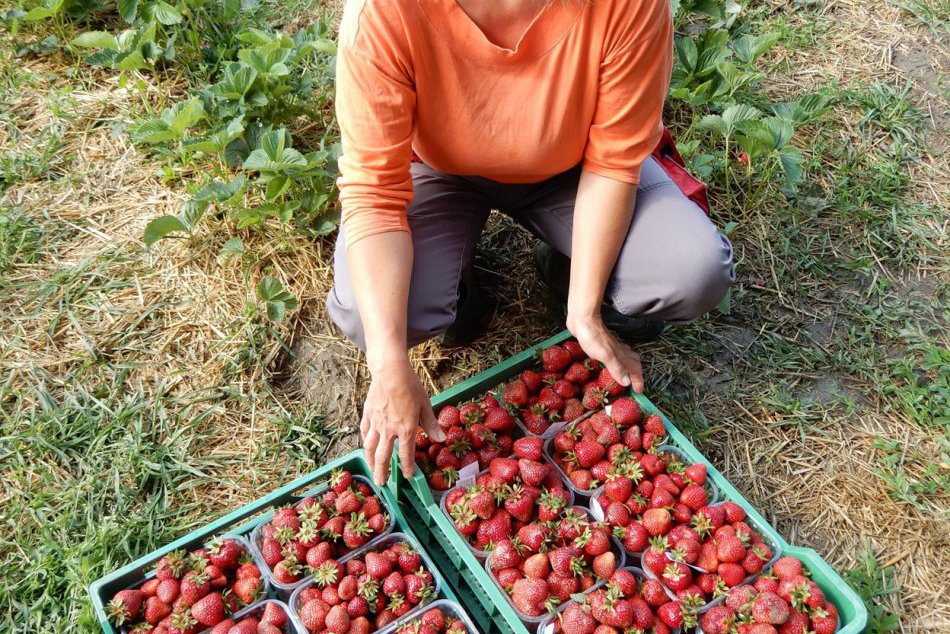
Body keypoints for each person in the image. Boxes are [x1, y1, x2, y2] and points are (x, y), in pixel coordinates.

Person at [326, 0, 735, 486]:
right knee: (369, 315)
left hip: (576, 165)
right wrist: (388, 360)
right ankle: (457, 293)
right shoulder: (385, 10)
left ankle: (571, 265)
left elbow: (613, 163)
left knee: (690, 270)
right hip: (434, 168)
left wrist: (584, 311)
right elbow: (375, 194)